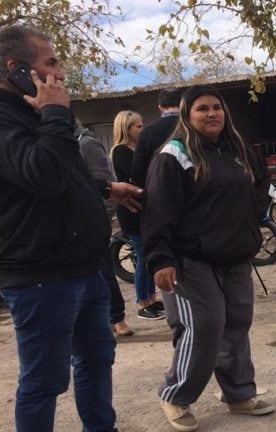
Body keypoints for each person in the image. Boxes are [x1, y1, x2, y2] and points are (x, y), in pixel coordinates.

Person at [0, 25, 141, 432]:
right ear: (17, 68)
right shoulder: (12, 118)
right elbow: (42, 174)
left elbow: (61, 173)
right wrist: (55, 113)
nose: (60, 72)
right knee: (44, 381)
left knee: (97, 360)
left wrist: (104, 188)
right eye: (51, 62)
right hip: (41, 277)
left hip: (85, 267)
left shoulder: (32, 113)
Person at [142, 85, 274, 431]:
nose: (212, 113)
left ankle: (239, 394)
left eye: (217, 107)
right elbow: (158, 211)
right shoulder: (173, 155)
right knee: (204, 327)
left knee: (235, 326)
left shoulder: (238, 150)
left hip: (235, 255)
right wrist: (160, 260)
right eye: (202, 108)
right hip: (189, 261)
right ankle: (176, 395)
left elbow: (262, 180)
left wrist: (252, 214)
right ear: (187, 115)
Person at [76, 121, 133, 337]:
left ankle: (116, 318)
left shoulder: (86, 144)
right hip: (68, 230)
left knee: (104, 272)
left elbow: (105, 184)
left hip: (90, 225)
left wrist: (101, 218)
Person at [112, 110, 165, 321]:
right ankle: (142, 302)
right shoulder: (121, 151)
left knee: (149, 254)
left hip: (145, 208)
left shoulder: (139, 148)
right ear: (126, 129)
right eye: (138, 126)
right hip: (132, 210)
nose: (142, 130)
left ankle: (152, 298)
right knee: (143, 256)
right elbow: (136, 178)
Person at [132, 87, 183, 189]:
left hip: (160, 191)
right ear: (183, 104)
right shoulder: (195, 127)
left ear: (160, 107)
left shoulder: (147, 132)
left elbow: (138, 171)